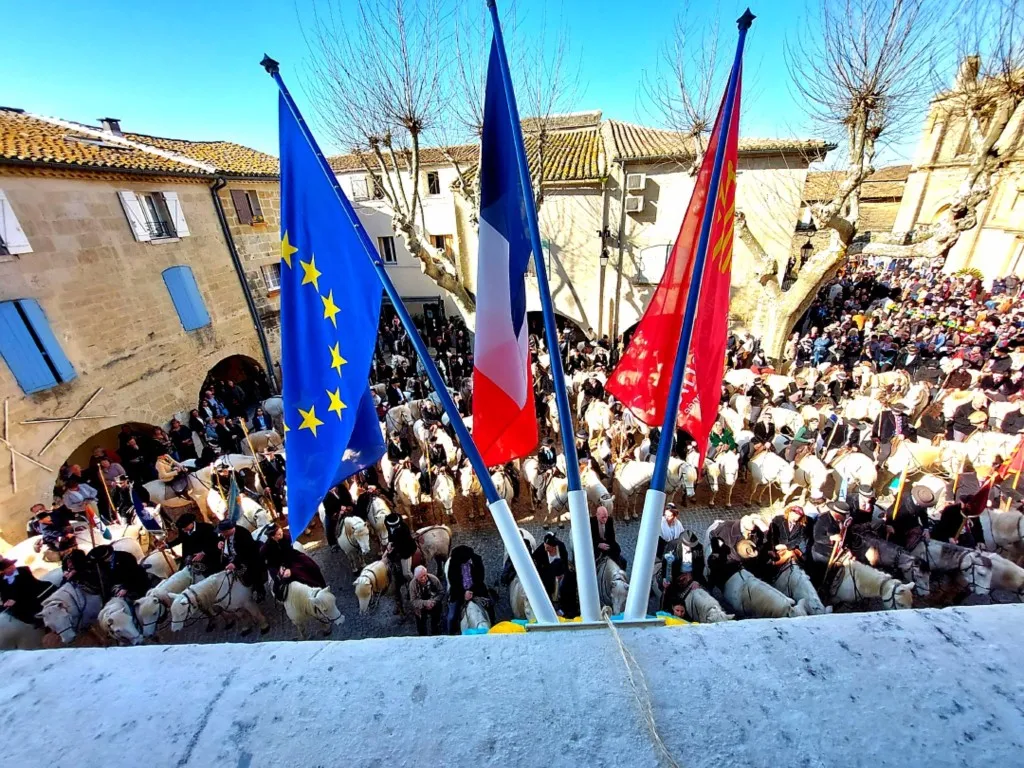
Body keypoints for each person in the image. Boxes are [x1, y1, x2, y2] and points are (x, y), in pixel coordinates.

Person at [260, 524, 326, 600]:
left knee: (311, 565)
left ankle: (322, 586)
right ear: (272, 537)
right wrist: (278, 568)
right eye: (278, 534)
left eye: (281, 531)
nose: (282, 534)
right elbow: (265, 562)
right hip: (277, 566)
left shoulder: (287, 537)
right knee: (280, 585)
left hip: (291, 558)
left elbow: (289, 553)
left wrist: (286, 566)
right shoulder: (266, 549)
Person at [217, 520, 268, 602]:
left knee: (254, 574)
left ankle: (259, 591)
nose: (222, 535)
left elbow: (245, 552)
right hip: (232, 556)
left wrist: (234, 563)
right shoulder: (225, 535)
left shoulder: (243, 534)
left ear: (228, 530)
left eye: (223, 533)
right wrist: (220, 542)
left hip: (249, 558)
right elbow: (220, 537)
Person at [445, 544, 489, 634]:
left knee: (490, 608)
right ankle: (451, 634)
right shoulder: (454, 563)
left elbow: (480, 578)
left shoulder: (476, 560)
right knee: (452, 617)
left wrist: (472, 591)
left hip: (476, 590)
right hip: (459, 591)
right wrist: (463, 593)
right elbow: (453, 581)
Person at [0, 557, 51, 627]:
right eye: (8, 568)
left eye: (12, 565)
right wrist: (6, 601)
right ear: (4, 571)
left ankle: (42, 620)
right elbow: (4, 593)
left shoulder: (23, 571)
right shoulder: (2, 580)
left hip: (31, 592)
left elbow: (28, 586)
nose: (12, 567)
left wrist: (15, 600)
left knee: (25, 605)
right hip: (15, 600)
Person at [383, 512, 417, 613]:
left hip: (406, 550)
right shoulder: (387, 523)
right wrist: (389, 543)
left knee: (406, 572)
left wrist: (390, 553)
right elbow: (390, 535)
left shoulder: (403, 530)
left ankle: (415, 585)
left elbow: (401, 547)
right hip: (394, 545)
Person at [532, 533, 569, 607]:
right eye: (545, 546)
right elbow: (534, 558)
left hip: (560, 572)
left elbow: (565, 560)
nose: (546, 549)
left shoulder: (561, 547)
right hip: (547, 573)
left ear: (554, 547)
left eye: (548, 547)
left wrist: (563, 573)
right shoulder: (542, 549)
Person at [409, 565, 444, 636]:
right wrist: (425, 603)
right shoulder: (412, 585)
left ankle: (435, 632)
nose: (424, 578)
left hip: (433, 604)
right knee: (421, 627)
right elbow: (413, 601)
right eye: (421, 577)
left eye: (425, 575)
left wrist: (433, 602)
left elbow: (441, 592)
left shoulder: (434, 579)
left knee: (435, 622)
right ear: (416, 577)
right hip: (420, 608)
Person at [321, 483, 354, 552]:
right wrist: (338, 510)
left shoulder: (341, 487)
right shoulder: (326, 494)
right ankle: (333, 543)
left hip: (346, 507)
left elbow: (348, 497)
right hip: (333, 512)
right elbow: (328, 506)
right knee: (329, 526)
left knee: (357, 510)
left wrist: (348, 506)